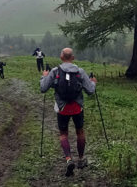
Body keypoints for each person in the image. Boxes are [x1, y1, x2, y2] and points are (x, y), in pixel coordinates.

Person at [40, 48, 96, 177]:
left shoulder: (55, 71)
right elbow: (90, 91)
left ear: (61, 57)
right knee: (80, 132)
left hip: (62, 108)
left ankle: (68, 159)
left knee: (63, 134)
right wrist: (93, 82)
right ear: (73, 57)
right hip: (77, 107)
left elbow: (43, 88)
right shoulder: (80, 72)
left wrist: (44, 76)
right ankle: (81, 159)